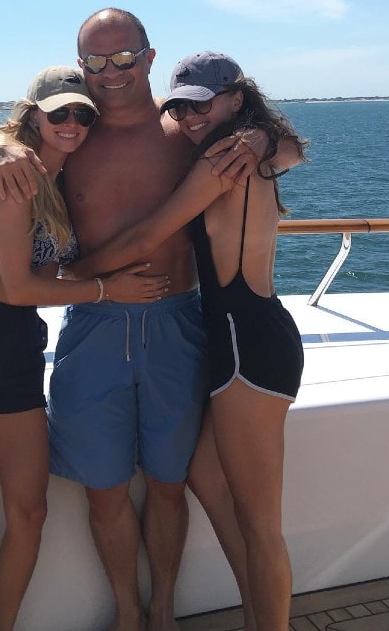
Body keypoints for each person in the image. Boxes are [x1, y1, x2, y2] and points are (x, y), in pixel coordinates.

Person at [0, 9, 303, 631]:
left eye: (124, 58)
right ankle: (127, 613)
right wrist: (1, 146)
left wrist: (261, 138)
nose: (110, 72)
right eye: (95, 61)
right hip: (95, 324)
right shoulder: (71, 133)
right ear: (80, 64)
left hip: (182, 324)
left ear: (149, 58)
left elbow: (283, 147)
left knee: (171, 484)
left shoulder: (186, 127)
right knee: (106, 489)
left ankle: (165, 611)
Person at [0, 65, 169, 631]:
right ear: (34, 115)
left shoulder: (63, 178)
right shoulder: (14, 171)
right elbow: (20, 288)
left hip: (18, 343)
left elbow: (51, 266)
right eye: (59, 112)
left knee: (29, 509)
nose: (71, 123)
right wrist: (107, 290)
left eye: (82, 113)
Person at [68, 51, 307, 631]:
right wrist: (262, 135)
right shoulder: (247, 146)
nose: (192, 118)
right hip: (235, 336)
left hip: (248, 343)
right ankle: (256, 610)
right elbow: (291, 148)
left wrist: (76, 278)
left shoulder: (225, 161)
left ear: (235, 99)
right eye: (181, 107)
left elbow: (153, 231)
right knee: (202, 474)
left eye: (204, 106)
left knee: (261, 525)